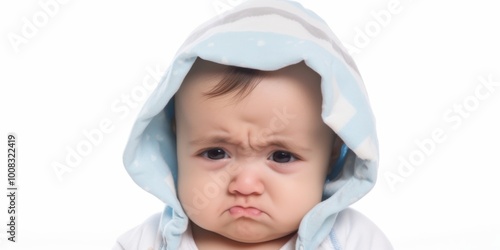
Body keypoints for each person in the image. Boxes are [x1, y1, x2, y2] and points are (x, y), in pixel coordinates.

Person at [115, 0, 393, 249]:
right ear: (175, 143)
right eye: (215, 153)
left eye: (281, 156)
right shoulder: (149, 242)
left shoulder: (354, 240)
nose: (245, 185)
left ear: (333, 154)